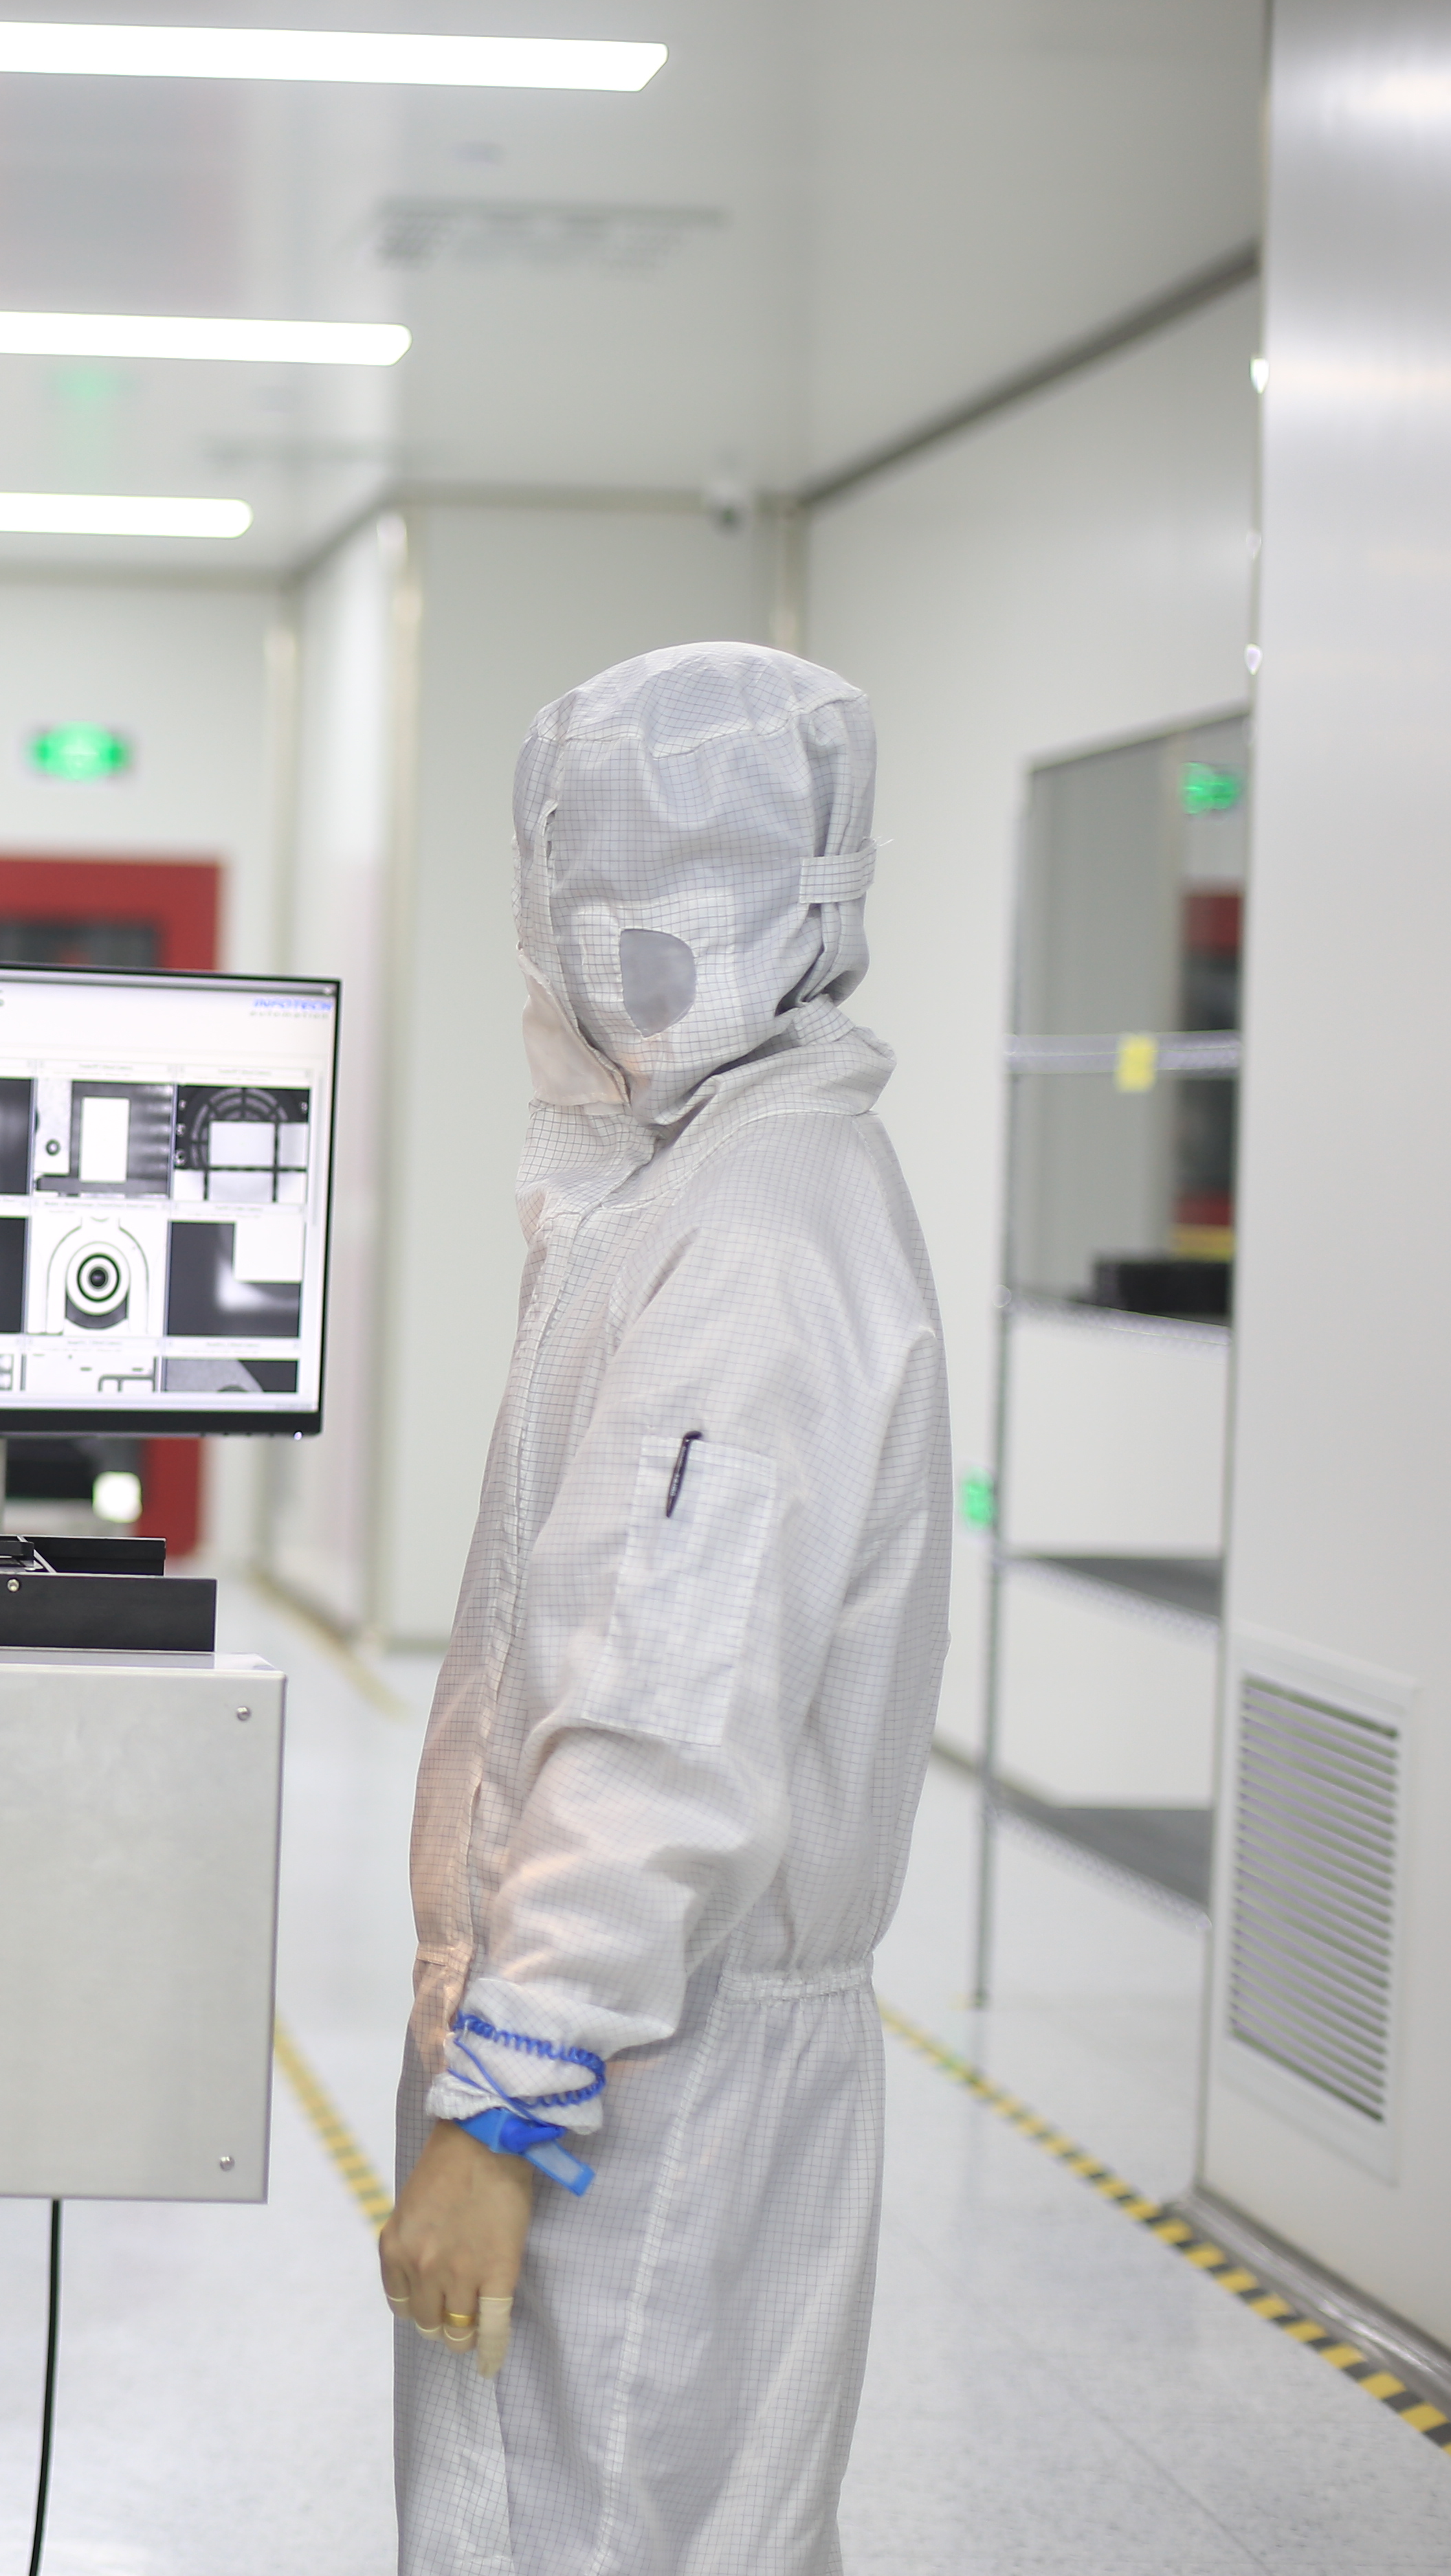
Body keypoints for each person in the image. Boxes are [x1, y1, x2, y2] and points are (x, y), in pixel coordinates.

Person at [375, 642, 950, 2573]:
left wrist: (506, 2109)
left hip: (644, 2080)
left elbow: (668, 1717)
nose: (623, 950)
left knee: (600, 2530)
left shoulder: (759, 1231)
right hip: (658, 2040)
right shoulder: (717, 1189)